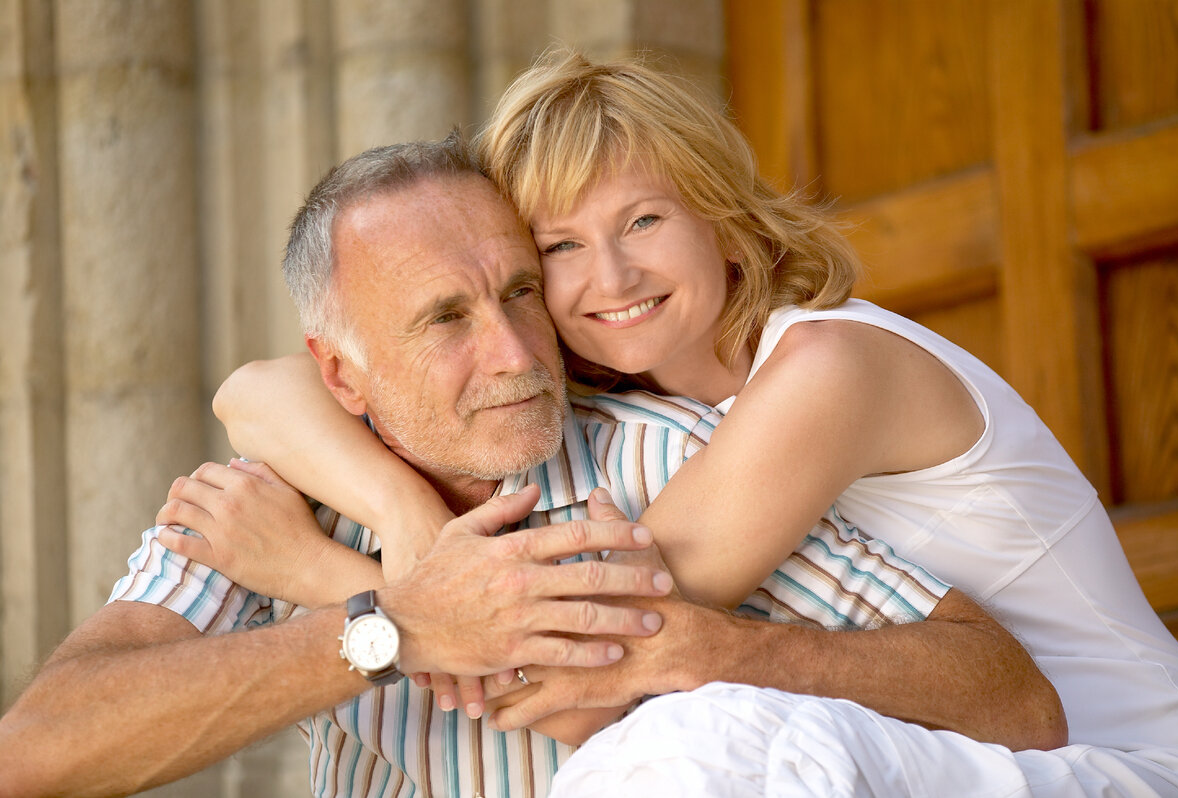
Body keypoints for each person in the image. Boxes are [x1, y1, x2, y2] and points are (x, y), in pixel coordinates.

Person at [218, 50, 1178, 796]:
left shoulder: (826, 366)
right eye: (560, 246)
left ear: (720, 215)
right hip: (953, 762)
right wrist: (399, 507)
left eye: (644, 220)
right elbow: (255, 391)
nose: (613, 277)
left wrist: (324, 580)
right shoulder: (650, 399)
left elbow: (584, 652)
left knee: (696, 742)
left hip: (1119, 763)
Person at [0, 135, 1059, 798]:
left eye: (517, 294)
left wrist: (717, 650)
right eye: (445, 319)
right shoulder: (275, 505)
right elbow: (37, 753)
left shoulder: (667, 459)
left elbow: (1012, 694)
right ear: (341, 371)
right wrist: (386, 626)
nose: (513, 355)